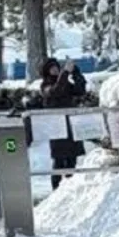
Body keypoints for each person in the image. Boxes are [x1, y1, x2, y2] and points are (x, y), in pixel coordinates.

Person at [39, 57, 88, 191]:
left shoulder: (65, 81)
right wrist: (65, 73)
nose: (55, 69)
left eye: (56, 67)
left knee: (72, 158)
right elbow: (56, 91)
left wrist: (76, 73)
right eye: (52, 67)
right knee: (59, 159)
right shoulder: (45, 86)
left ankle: (69, 187)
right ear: (47, 71)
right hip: (57, 127)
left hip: (70, 125)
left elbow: (80, 90)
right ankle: (56, 189)